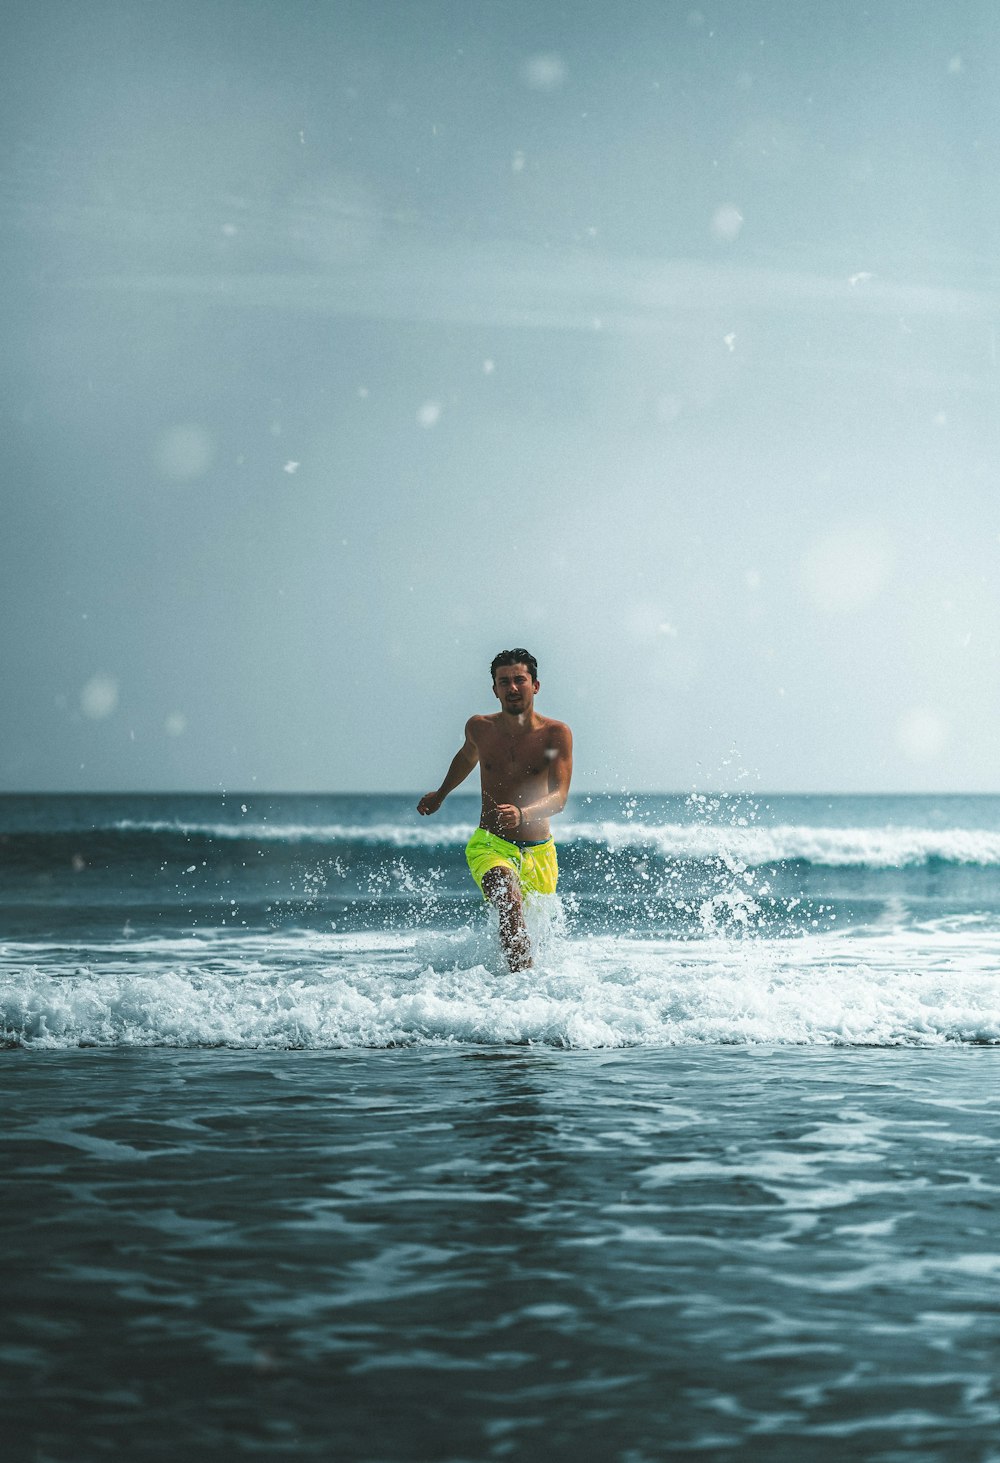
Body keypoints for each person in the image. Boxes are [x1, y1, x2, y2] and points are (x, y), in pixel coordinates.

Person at [417, 649, 573, 970]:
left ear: (535, 685)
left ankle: (518, 987)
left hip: (540, 855)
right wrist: (441, 793)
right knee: (508, 903)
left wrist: (524, 814)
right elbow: (467, 757)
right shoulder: (480, 728)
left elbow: (559, 797)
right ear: (495, 689)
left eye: (520, 680)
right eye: (504, 682)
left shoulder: (555, 734)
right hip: (491, 844)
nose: (512, 688)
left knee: (527, 932)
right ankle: (520, 992)